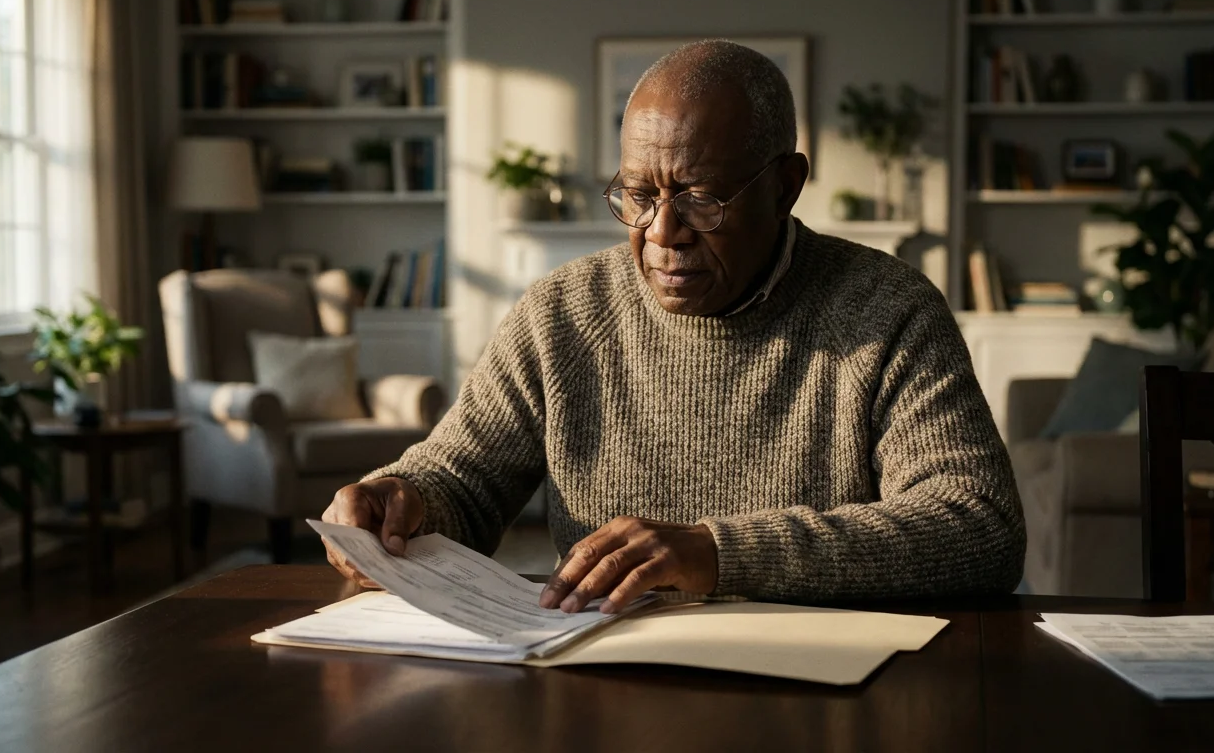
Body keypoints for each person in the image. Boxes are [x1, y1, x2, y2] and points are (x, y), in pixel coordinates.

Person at [321, 39, 1024, 613]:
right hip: (604, 677)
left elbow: (978, 525)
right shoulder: (563, 315)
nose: (662, 233)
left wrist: (715, 554)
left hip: (827, 688)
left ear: (785, 187)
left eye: (701, 198)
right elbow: (459, 481)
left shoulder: (888, 308)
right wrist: (397, 499)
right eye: (638, 195)